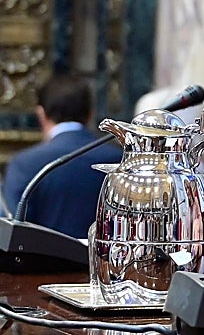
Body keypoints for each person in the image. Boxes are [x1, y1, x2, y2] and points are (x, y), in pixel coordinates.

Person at [1, 74, 122, 237]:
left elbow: (11, 232)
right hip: (106, 261)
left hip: (44, 261)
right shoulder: (120, 158)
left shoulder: (24, 164)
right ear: (90, 114)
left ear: (41, 114)